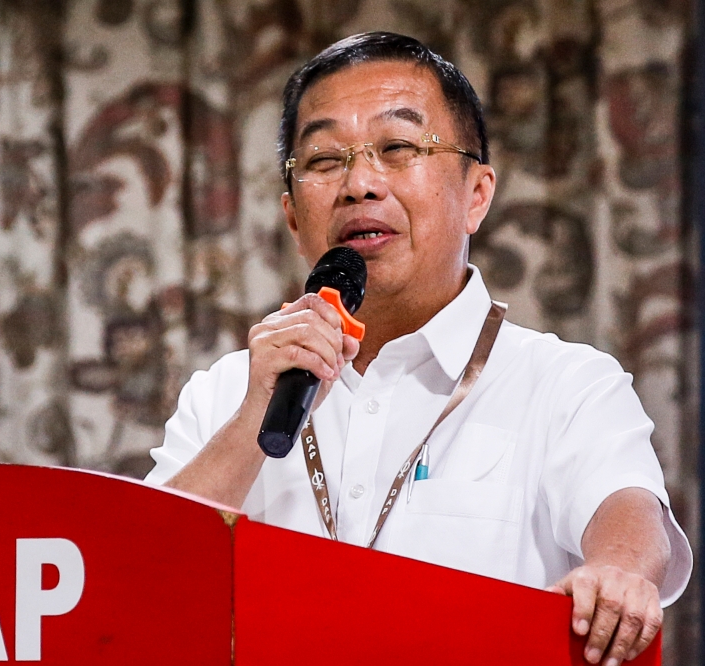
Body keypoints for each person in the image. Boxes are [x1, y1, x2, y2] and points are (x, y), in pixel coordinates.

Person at [144, 32, 691, 665]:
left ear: (476, 195)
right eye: (324, 159)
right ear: (293, 217)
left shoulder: (566, 384)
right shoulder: (226, 392)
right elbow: (140, 577)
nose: (359, 183)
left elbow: (627, 512)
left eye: (398, 148)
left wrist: (617, 572)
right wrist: (251, 421)